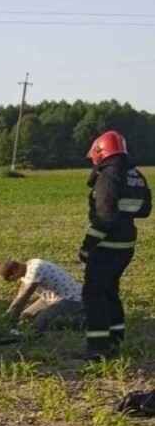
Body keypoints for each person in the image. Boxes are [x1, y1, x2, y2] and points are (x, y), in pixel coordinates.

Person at [79, 130, 151, 359]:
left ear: (101, 151)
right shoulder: (136, 174)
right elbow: (145, 209)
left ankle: (98, 349)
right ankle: (116, 339)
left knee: (94, 294)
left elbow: (105, 218)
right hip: (126, 245)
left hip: (107, 247)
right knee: (110, 291)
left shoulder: (108, 176)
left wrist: (87, 246)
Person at [0, 258, 84, 332]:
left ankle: (85, 320)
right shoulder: (27, 268)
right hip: (50, 298)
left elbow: (23, 297)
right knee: (25, 318)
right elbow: (20, 297)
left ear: (15, 270)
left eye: (11, 279)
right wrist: (13, 314)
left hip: (71, 298)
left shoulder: (35, 269)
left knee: (40, 323)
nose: (13, 281)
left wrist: (9, 317)